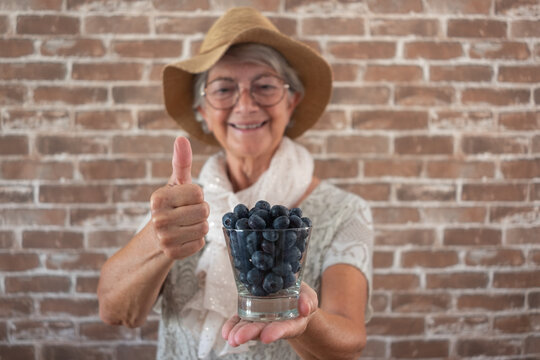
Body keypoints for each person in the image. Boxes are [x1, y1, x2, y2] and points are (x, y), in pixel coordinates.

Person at [97, 7, 373, 360]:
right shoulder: (179, 207)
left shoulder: (343, 212)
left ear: (292, 101)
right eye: (224, 89)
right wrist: (156, 237)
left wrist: (306, 320)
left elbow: (350, 341)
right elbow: (116, 312)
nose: (245, 105)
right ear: (202, 110)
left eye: (265, 86)